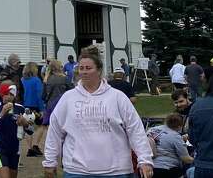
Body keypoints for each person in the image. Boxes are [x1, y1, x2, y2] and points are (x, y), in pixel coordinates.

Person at [42, 46, 153, 178]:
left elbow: (135, 129)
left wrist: (145, 159)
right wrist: (50, 162)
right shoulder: (68, 98)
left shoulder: (117, 97)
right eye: (81, 68)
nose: (84, 72)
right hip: (77, 171)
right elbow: (55, 131)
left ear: (99, 70)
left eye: (88, 68)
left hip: (117, 171)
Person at [147, 113, 194, 178]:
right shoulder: (175, 136)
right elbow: (186, 159)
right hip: (166, 169)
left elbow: (163, 139)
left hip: (148, 167)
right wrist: (199, 161)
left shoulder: (152, 130)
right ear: (180, 126)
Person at [21, 62, 45, 157]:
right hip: (35, 106)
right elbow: (39, 95)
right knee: (42, 125)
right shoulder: (36, 80)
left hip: (25, 106)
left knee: (28, 127)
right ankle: (36, 145)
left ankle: (29, 148)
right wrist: (42, 108)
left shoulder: (22, 80)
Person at [41, 60, 71, 134]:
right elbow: (71, 92)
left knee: (52, 130)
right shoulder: (65, 79)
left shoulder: (46, 79)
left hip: (50, 106)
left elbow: (43, 96)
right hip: (62, 105)